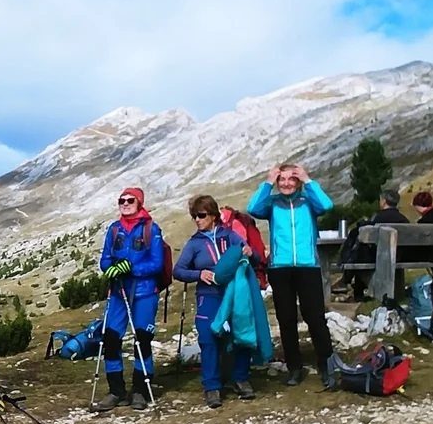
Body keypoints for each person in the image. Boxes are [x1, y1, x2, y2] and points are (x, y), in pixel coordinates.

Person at [246, 164, 336, 389]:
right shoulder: (272, 203)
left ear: (298, 182)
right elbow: (253, 208)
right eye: (282, 179)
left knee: (315, 318)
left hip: (308, 266)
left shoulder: (308, 201)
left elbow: (326, 205)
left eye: (291, 179)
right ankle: (294, 368)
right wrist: (267, 182)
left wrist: (308, 179)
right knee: (286, 320)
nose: (286, 183)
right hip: (280, 268)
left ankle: (327, 364)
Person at [90, 187, 166, 411]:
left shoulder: (152, 229)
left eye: (129, 200)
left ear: (139, 202)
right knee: (111, 339)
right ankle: (116, 391)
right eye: (121, 200)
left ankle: (140, 391)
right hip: (118, 292)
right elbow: (104, 259)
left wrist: (131, 268)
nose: (124, 203)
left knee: (142, 340)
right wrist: (110, 268)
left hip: (144, 292)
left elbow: (157, 263)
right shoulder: (114, 229)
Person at [174, 195, 253, 408]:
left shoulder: (230, 235)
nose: (197, 220)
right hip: (207, 296)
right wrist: (199, 274)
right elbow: (178, 271)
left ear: (213, 215)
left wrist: (247, 250)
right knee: (208, 338)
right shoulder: (194, 243)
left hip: (234, 294)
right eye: (194, 216)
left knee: (239, 334)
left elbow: (247, 250)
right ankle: (212, 387)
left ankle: (240, 379)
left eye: (202, 215)